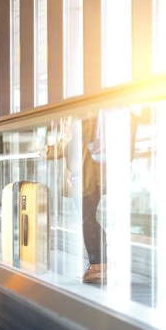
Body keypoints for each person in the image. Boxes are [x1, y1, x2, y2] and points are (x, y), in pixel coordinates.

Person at [45, 115, 107, 284]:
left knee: (87, 219)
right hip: (97, 175)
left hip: (82, 175)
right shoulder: (95, 113)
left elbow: (65, 145)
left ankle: (98, 267)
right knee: (90, 218)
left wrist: (45, 151)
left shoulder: (74, 115)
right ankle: (101, 265)